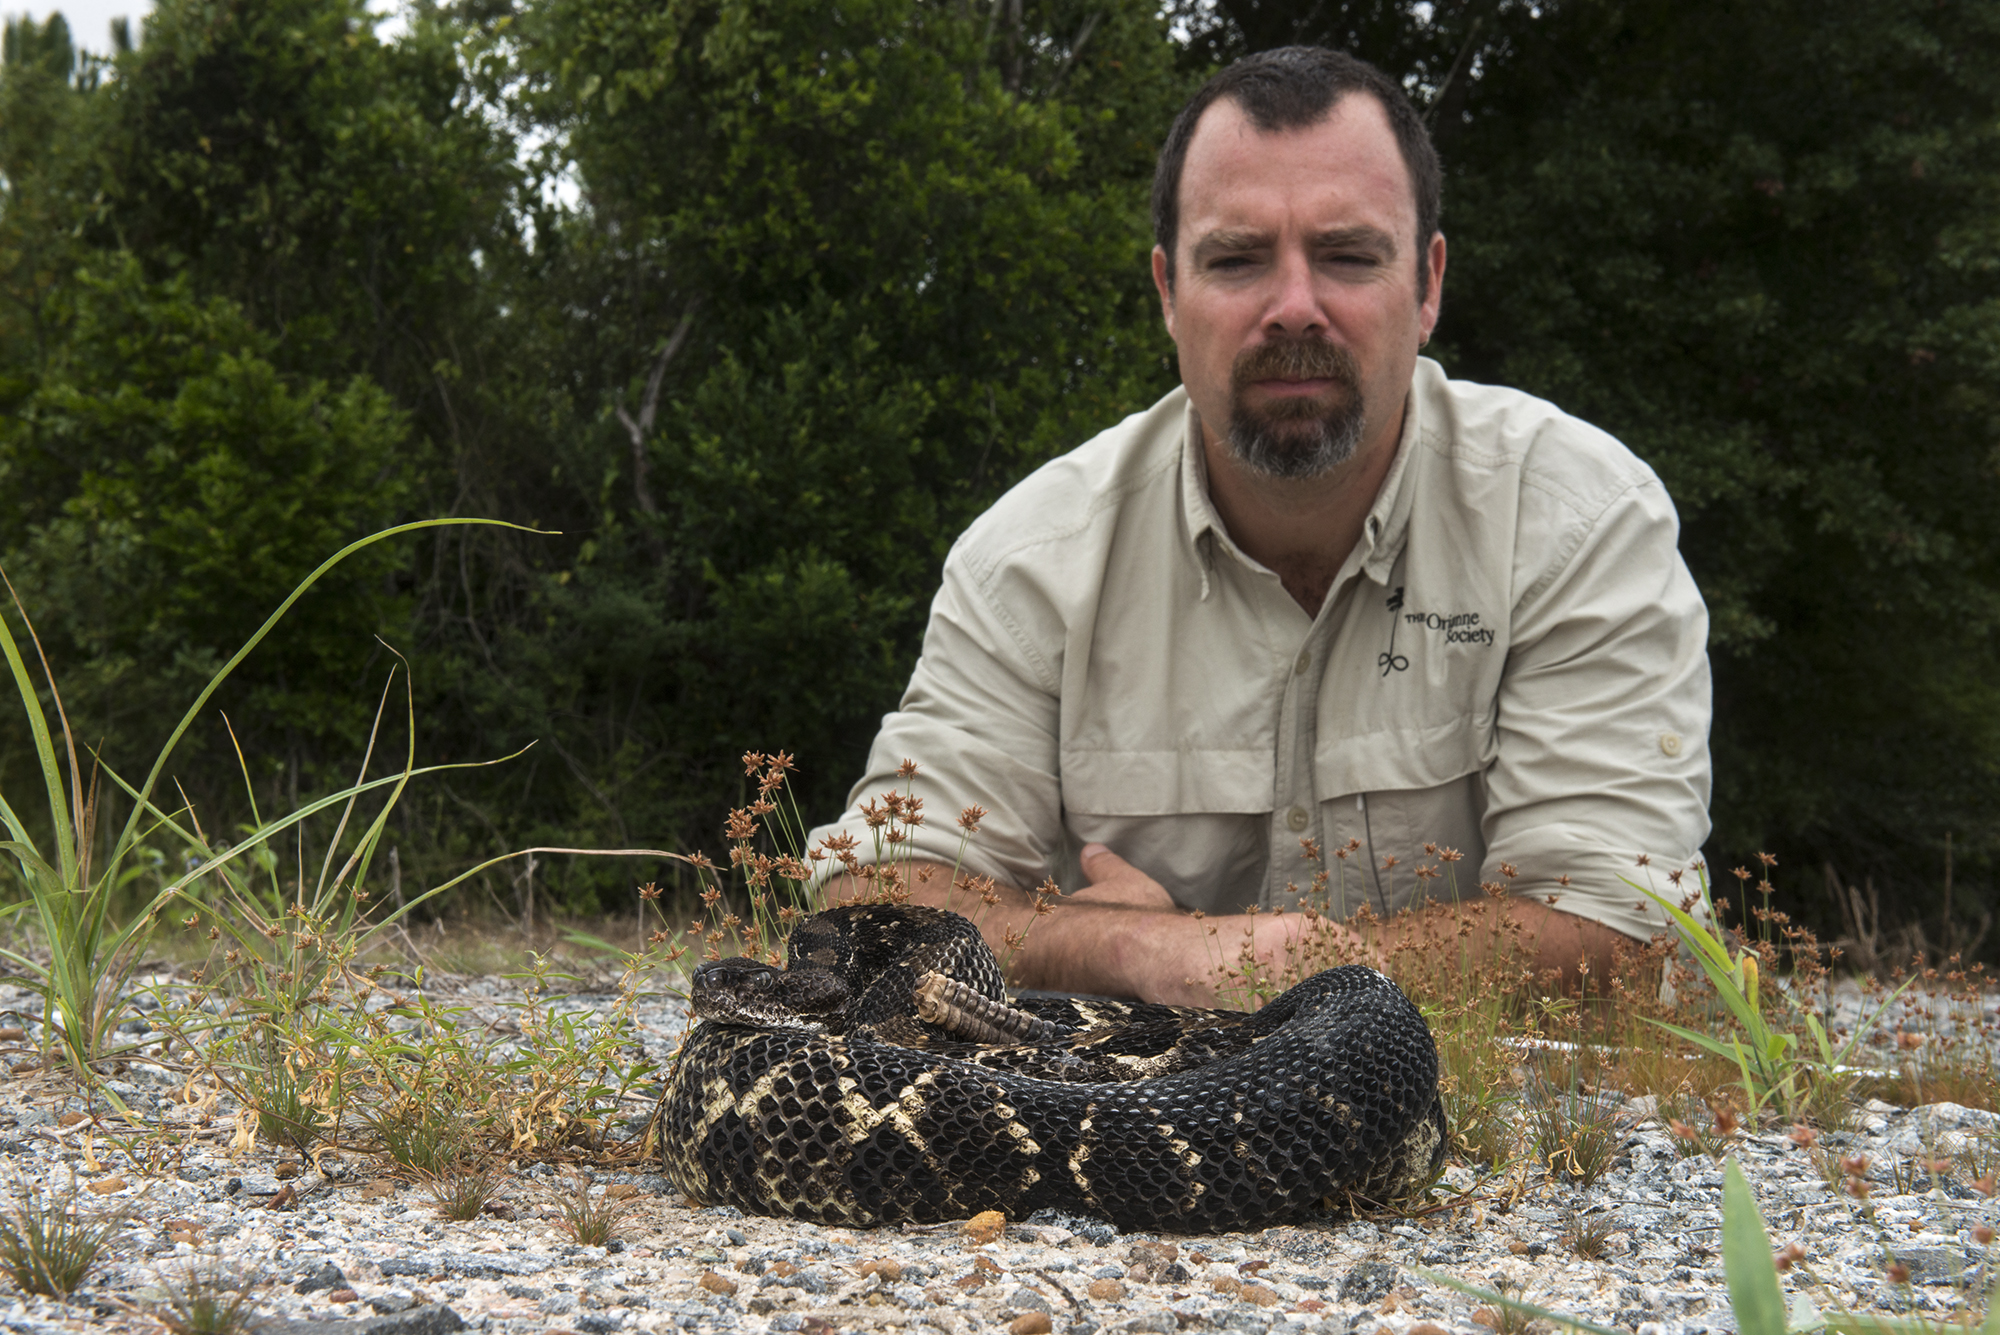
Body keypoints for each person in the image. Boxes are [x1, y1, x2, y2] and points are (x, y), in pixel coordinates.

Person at [805, 46, 1712, 1006]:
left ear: (1429, 285)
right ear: (1166, 293)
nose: (1293, 309)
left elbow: (1626, 929)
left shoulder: (1579, 521)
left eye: (1348, 256)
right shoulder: (1028, 565)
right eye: (1236, 259)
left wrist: (1272, 973)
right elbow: (872, 906)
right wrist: (1140, 953)